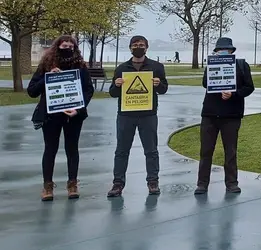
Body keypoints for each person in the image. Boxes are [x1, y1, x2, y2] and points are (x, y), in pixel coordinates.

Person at [27, 36, 95, 201]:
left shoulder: (80, 66)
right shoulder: (46, 65)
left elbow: (88, 90)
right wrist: (47, 77)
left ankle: (72, 184)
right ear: (57, 46)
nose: (68, 48)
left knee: (72, 149)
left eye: (71, 46)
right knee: (50, 149)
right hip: (50, 115)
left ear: (75, 48)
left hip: (73, 114)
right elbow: (31, 91)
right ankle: (47, 186)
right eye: (64, 46)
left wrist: (78, 109)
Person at [107, 35, 169, 198]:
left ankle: (153, 182)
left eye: (141, 45)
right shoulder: (121, 68)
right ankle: (117, 184)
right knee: (121, 150)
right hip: (126, 115)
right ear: (130, 48)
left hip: (148, 114)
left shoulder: (157, 67)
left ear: (146, 48)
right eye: (135, 45)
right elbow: (113, 93)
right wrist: (116, 85)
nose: (138, 47)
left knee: (151, 150)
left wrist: (158, 84)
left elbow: (164, 89)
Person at [195, 37, 255, 195]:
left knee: (231, 151)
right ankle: (202, 184)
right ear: (215, 52)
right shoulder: (211, 64)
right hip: (209, 114)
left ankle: (232, 183)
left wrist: (233, 94)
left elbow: (249, 87)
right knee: (206, 151)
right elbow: (205, 83)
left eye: (226, 50)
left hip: (231, 115)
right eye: (220, 50)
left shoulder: (241, 65)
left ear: (231, 51)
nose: (223, 52)